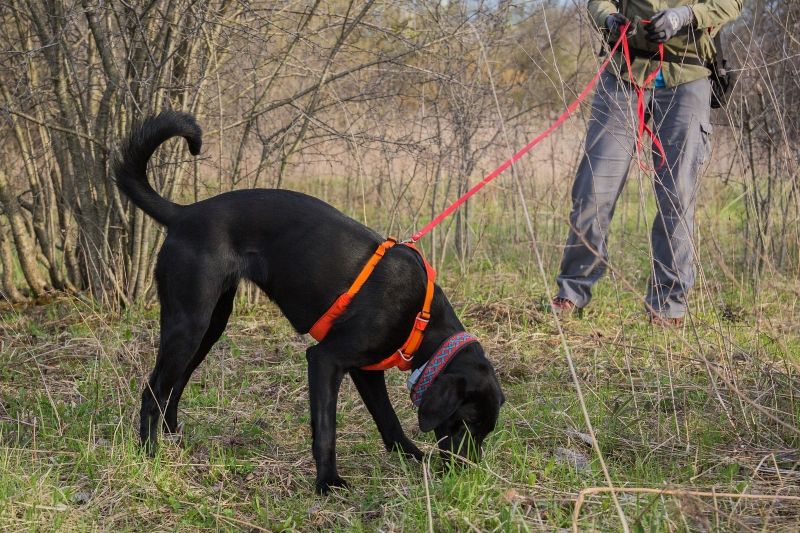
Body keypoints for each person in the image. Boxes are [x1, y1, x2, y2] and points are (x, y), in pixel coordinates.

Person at [552, 0, 741, 326]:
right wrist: (608, 18)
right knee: (593, 189)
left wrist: (686, 16)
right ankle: (571, 292)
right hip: (622, 71)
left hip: (687, 74)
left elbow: (732, 3)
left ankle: (668, 305)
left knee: (677, 197)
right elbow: (597, 2)